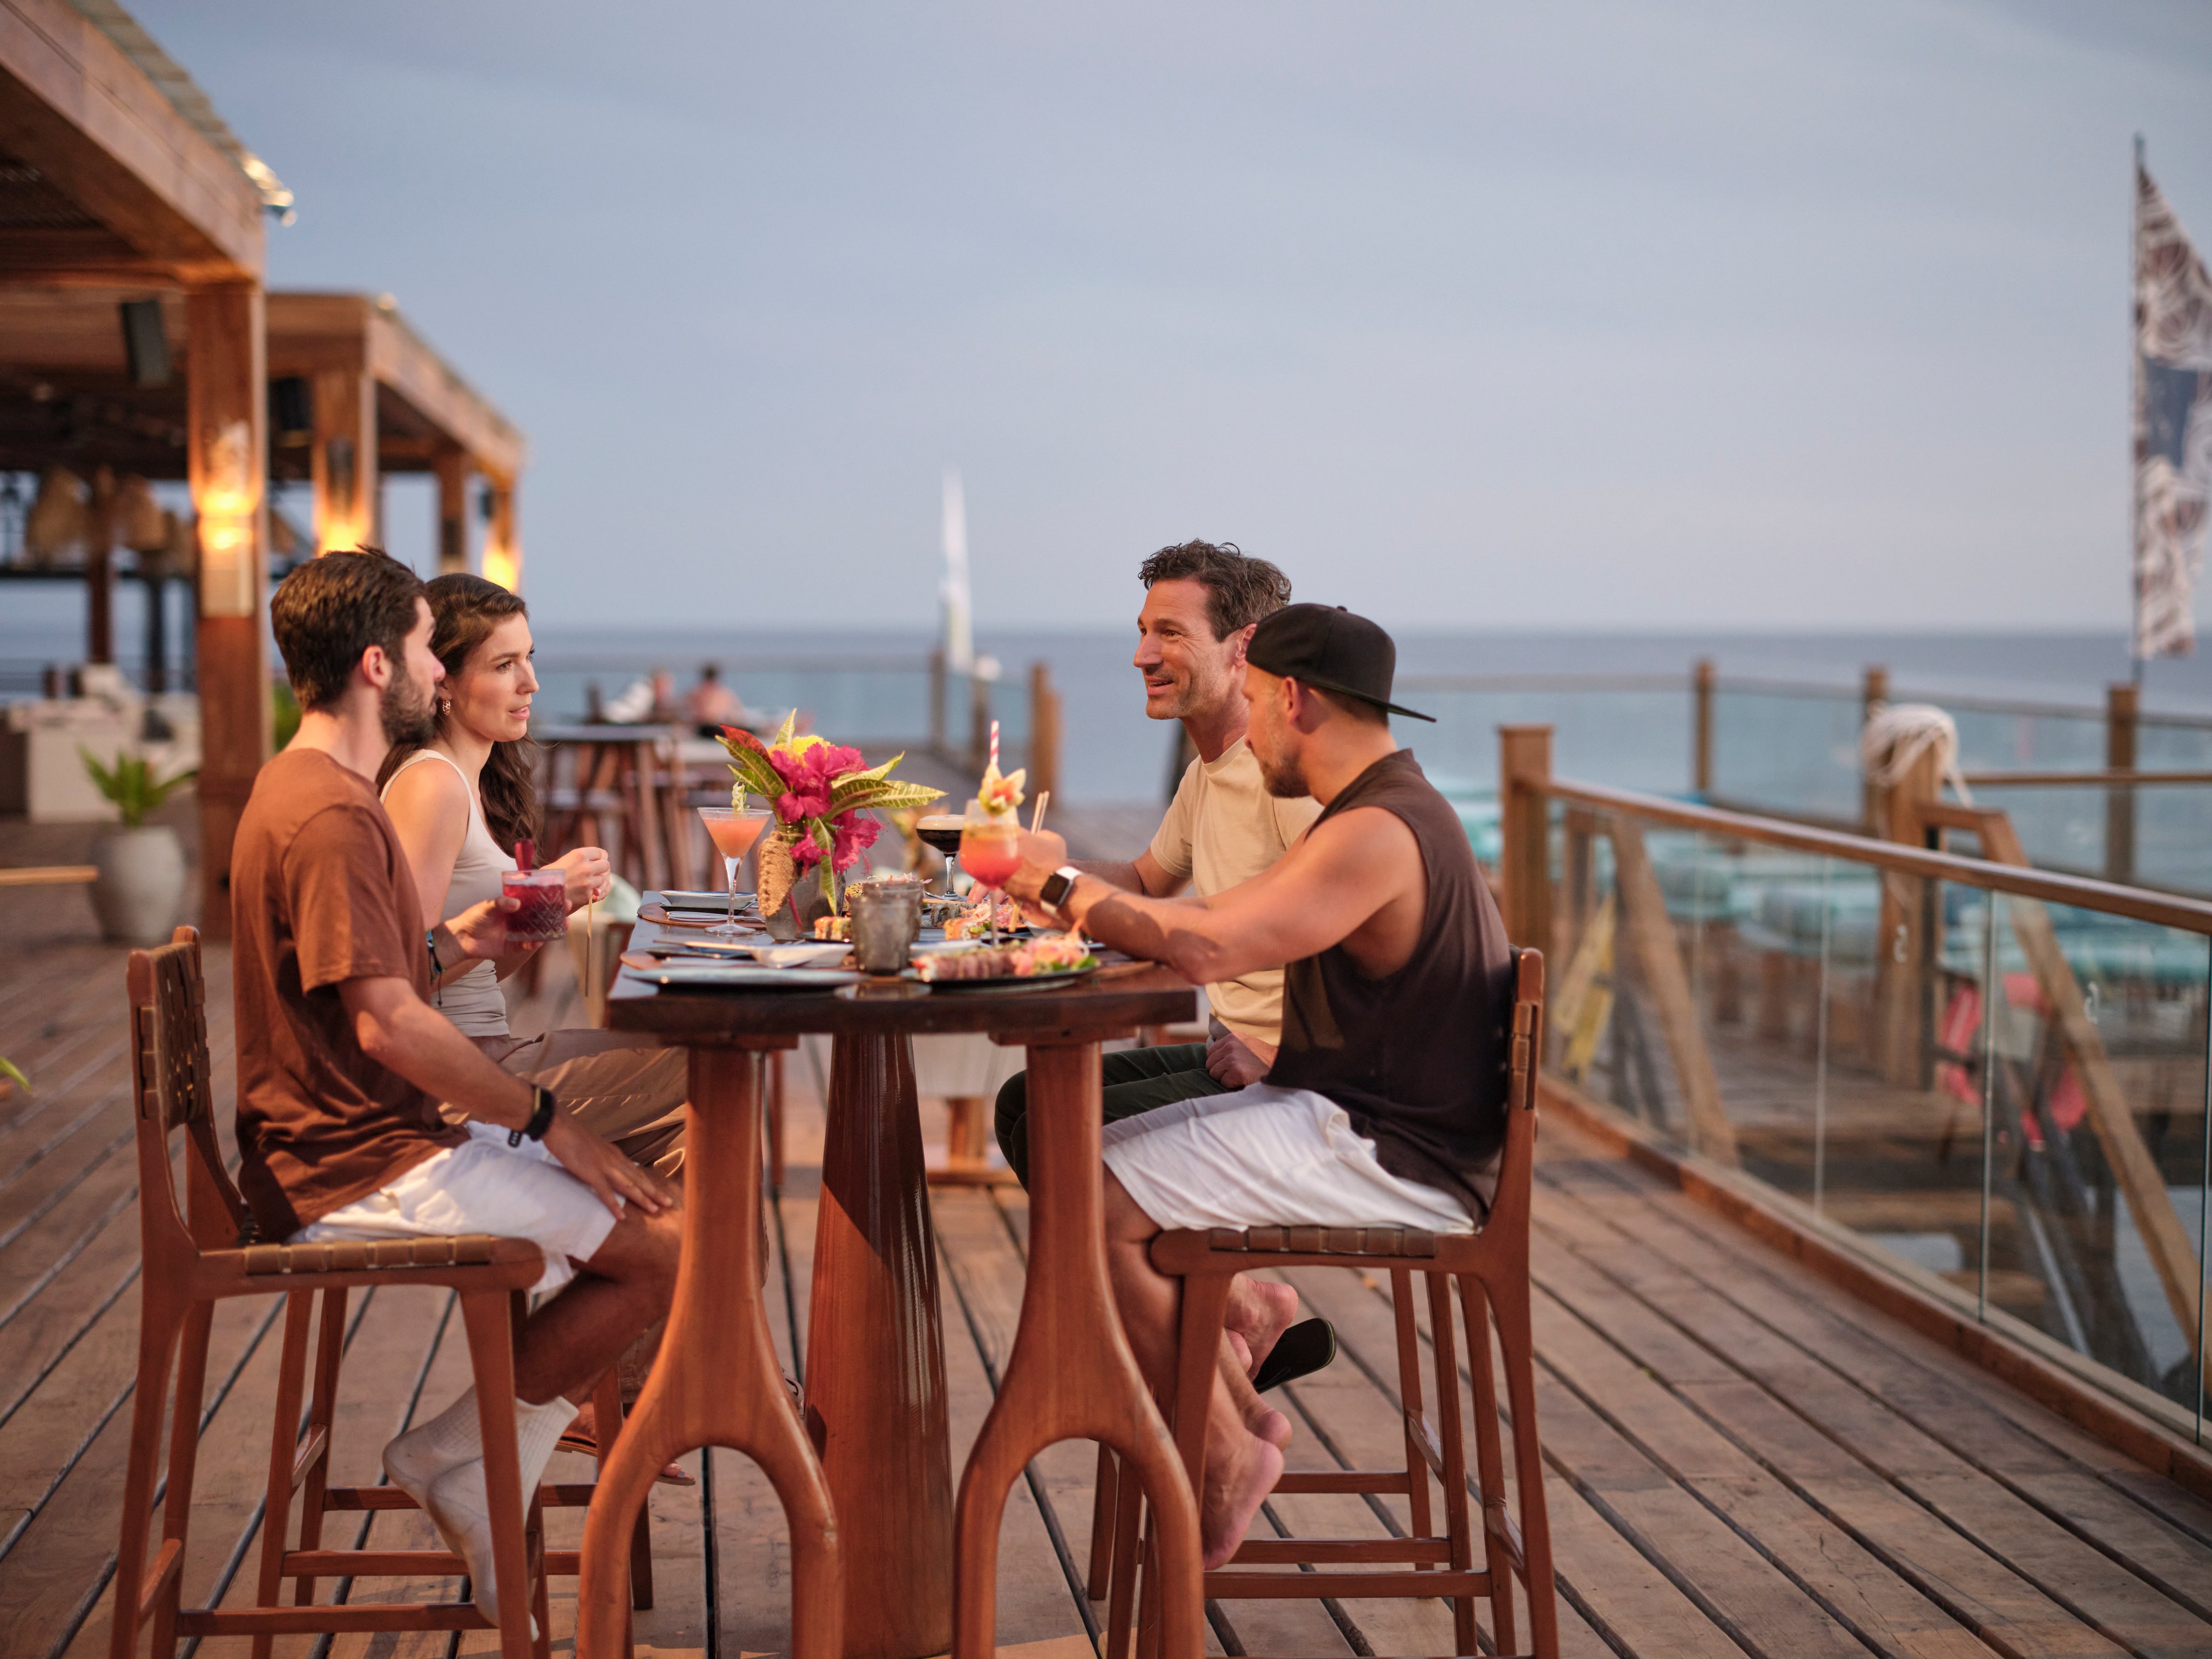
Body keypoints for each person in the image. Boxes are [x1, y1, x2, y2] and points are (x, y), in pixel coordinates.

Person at [1000, 603, 1513, 1568]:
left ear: (1294, 698)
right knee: (1082, 1167)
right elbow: (1214, 918)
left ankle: (1228, 1453)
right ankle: (1236, 1389)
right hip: (1365, 1116)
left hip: (1395, 1151)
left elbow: (1203, 942)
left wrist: (1059, 883)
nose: (1250, 726)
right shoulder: (1380, 809)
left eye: (1258, 701)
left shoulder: (1376, 829)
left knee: (1082, 1203)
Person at [232, 549, 680, 1623]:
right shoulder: (336, 816)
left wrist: (489, 931)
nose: (445, 674)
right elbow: (388, 1025)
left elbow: (395, 979)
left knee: (655, 1209)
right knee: (669, 1253)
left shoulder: (304, 791)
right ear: (382, 665)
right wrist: (547, 1123)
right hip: (358, 1159)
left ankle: (474, 1454)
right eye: (438, 649)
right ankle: (471, 1456)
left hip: (352, 1138)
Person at [993, 541, 1320, 1183]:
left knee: (1058, 1130)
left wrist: (1286, 1054)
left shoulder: (1285, 777)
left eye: (1170, 633)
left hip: (1294, 1074)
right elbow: (1146, 879)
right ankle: (1161, 1283)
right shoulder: (1209, 771)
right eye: (1144, 632)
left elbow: (1348, 928)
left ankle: (1217, 1289)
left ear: (1243, 647)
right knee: (1022, 1103)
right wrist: (1023, 877)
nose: (1143, 655)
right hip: (1228, 1046)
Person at [685, 662, 749, 735]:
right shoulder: (724, 692)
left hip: (708, 726)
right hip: (712, 726)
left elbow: (686, 709)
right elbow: (737, 711)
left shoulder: (697, 691)